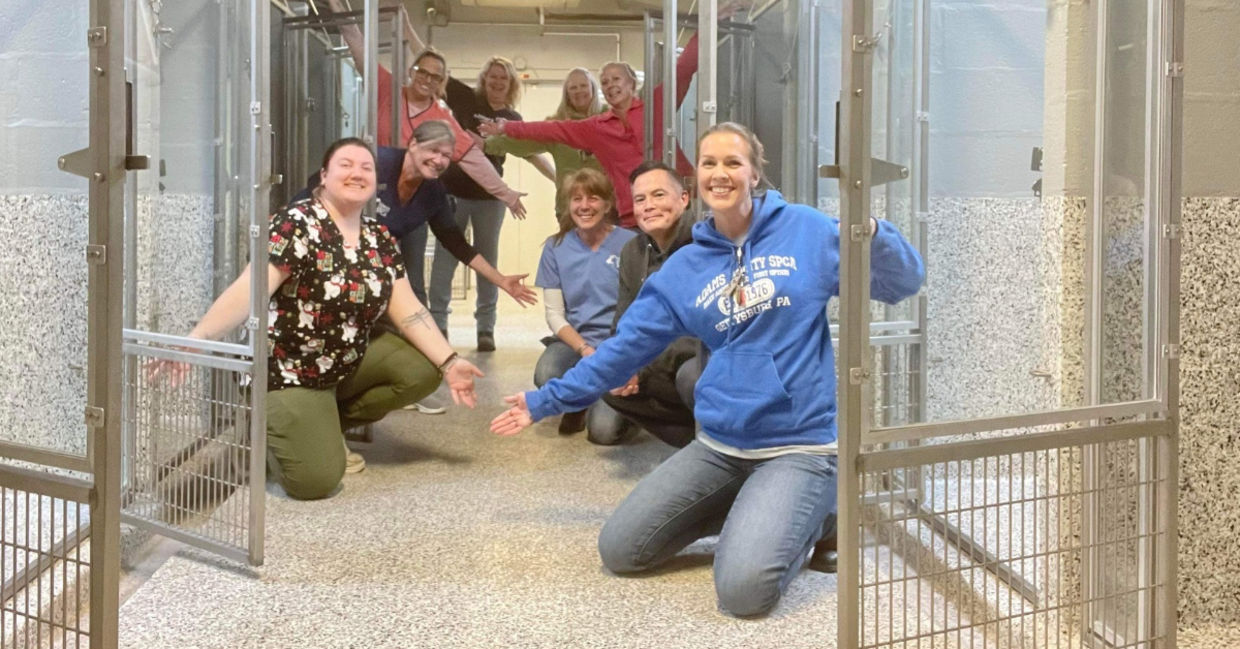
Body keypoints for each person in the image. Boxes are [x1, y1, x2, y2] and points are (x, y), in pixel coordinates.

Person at [490, 123, 924, 616]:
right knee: (622, 550)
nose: (721, 174)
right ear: (697, 179)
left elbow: (902, 283)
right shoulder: (685, 268)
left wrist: (870, 229)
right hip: (720, 446)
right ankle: (759, 509)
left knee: (742, 593)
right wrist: (543, 400)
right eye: (709, 164)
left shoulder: (805, 230)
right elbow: (621, 351)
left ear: (755, 174)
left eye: (733, 163)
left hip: (798, 444)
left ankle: (821, 515)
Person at [152, 138, 484, 500]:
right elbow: (251, 290)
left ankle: (321, 424)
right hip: (288, 370)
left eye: (366, 167)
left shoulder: (379, 237)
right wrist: (196, 337)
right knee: (316, 483)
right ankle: (272, 426)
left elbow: (410, 310)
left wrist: (450, 362)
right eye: (346, 164)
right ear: (324, 176)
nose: (357, 172)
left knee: (423, 370)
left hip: (343, 362)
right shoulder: (295, 224)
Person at [430, 57, 544, 352]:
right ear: (484, 79)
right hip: (452, 193)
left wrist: (559, 178)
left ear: (511, 84)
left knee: (487, 261)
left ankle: (485, 328)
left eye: (502, 79)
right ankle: (438, 323)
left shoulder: (512, 119)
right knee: (446, 259)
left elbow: (531, 153)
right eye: (492, 77)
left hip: (489, 200)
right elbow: (436, 64)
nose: (496, 82)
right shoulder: (466, 99)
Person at [588, 160, 701, 448]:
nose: (648, 205)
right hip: (655, 362)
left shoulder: (704, 244)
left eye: (659, 195)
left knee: (693, 377)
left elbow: (699, 334)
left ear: (684, 198)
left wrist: (642, 365)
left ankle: (718, 443)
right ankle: (694, 440)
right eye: (640, 199)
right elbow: (623, 323)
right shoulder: (632, 252)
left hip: (696, 358)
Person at [532, 168, 636, 435]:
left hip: (620, 344)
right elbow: (554, 315)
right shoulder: (555, 248)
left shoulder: (631, 244)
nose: (585, 206)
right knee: (546, 374)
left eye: (593, 198)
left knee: (603, 434)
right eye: (577, 199)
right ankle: (582, 398)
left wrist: (617, 353)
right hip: (577, 342)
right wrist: (584, 350)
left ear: (607, 204)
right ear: (568, 206)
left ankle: (615, 402)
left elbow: (642, 308)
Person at [482, 67, 607, 214]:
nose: (579, 91)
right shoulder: (557, 123)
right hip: (569, 208)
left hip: (606, 206)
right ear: (567, 94)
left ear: (592, 87)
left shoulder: (610, 119)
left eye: (583, 85)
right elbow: (526, 140)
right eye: (573, 87)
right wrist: (486, 144)